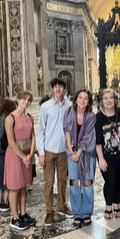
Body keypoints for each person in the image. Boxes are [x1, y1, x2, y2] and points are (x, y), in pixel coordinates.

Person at [36, 78, 73, 227]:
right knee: (49, 182)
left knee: (62, 179)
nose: (58, 89)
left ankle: (62, 205)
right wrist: (41, 152)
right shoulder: (45, 107)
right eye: (55, 86)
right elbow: (40, 131)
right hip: (49, 149)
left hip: (64, 149)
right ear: (52, 88)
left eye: (60, 86)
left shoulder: (70, 106)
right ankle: (49, 211)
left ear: (64, 88)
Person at [63, 89, 96, 227]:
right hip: (71, 152)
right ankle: (77, 212)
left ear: (88, 101)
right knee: (74, 182)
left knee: (87, 182)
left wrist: (78, 153)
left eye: (85, 98)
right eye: (80, 97)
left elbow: (88, 136)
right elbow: (66, 130)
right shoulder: (69, 112)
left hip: (86, 153)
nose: (82, 100)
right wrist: (71, 150)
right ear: (75, 99)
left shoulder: (91, 116)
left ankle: (86, 212)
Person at [4, 91, 36, 230]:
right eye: (24, 99)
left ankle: (23, 213)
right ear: (18, 99)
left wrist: (30, 154)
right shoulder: (10, 119)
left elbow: (33, 137)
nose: (26, 102)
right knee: (15, 187)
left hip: (26, 155)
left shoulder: (29, 117)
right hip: (14, 156)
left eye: (29, 100)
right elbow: (11, 143)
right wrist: (24, 157)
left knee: (24, 185)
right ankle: (15, 217)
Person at [95, 88, 120, 220]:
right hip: (106, 157)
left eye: (111, 98)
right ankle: (108, 205)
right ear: (102, 101)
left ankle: (117, 204)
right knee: (111, 180)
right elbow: (98, 141)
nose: (108, 101)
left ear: (115, 100)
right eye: (105, 98)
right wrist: (101, 159)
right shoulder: (98, 117)